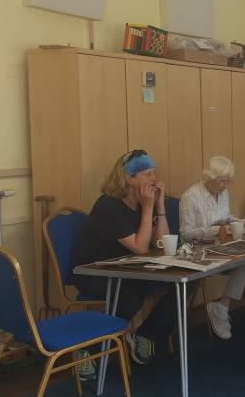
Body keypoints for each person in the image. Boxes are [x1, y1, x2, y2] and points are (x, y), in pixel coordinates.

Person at [70, 150, 178, 365]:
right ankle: (88, 349)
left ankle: (145, 334)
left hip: (129, 269)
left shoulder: (142, 203)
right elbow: (140, 247)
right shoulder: (108, 206)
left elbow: (161, 245)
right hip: (94, 272)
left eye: (154, 173)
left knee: (184, 283)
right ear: (128, 179)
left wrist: (160, 207)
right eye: (147, 174)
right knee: (132, 294)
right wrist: (148, 208)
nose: (154, 179)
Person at [179, 156, 245, 339]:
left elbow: (226, 217)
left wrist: (242, 222)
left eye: (229, 181)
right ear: (208, 177)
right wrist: (215, 230)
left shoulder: (223, 193)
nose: (226, 185)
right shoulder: (190, 197)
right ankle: (234, 303)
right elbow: (186, 233)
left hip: (223, 245)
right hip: (201, 250)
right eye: (222, 181)